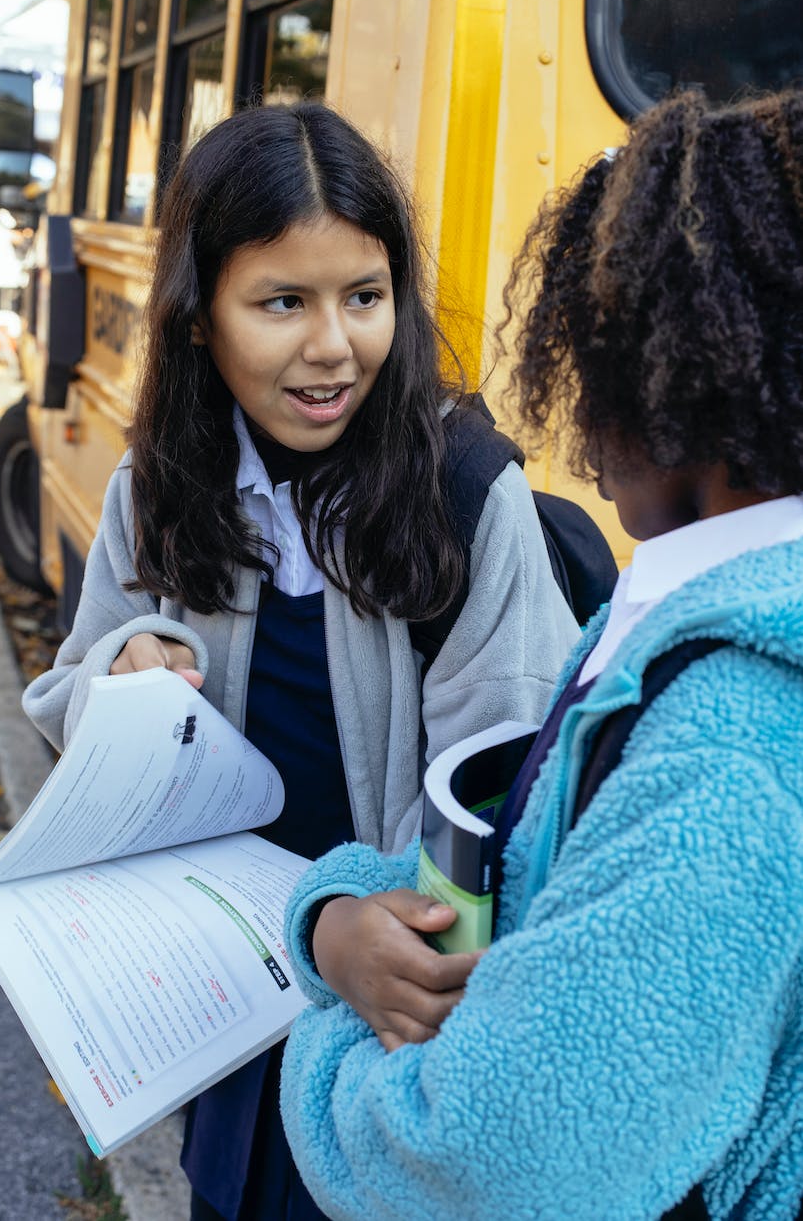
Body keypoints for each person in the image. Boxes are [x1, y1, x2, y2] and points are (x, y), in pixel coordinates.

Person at [21, 101, 579, 1221]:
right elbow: (73, 694)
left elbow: (506, 812)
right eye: (282, 302)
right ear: (197, 321)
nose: (334, 346)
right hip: (235, 1017)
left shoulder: (464, 499)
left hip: (398, 1043)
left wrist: (368, 940)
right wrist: (121, 669)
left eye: (364, 297)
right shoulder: (157, 491)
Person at [278, 87, 803, 1220]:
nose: (578, 423)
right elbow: (532, 882)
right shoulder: (711, 620)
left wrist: (317, 1055)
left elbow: (486, 1163)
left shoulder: (734, 742)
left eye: (593, 364)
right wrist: (331, 912)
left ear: (672, 382)